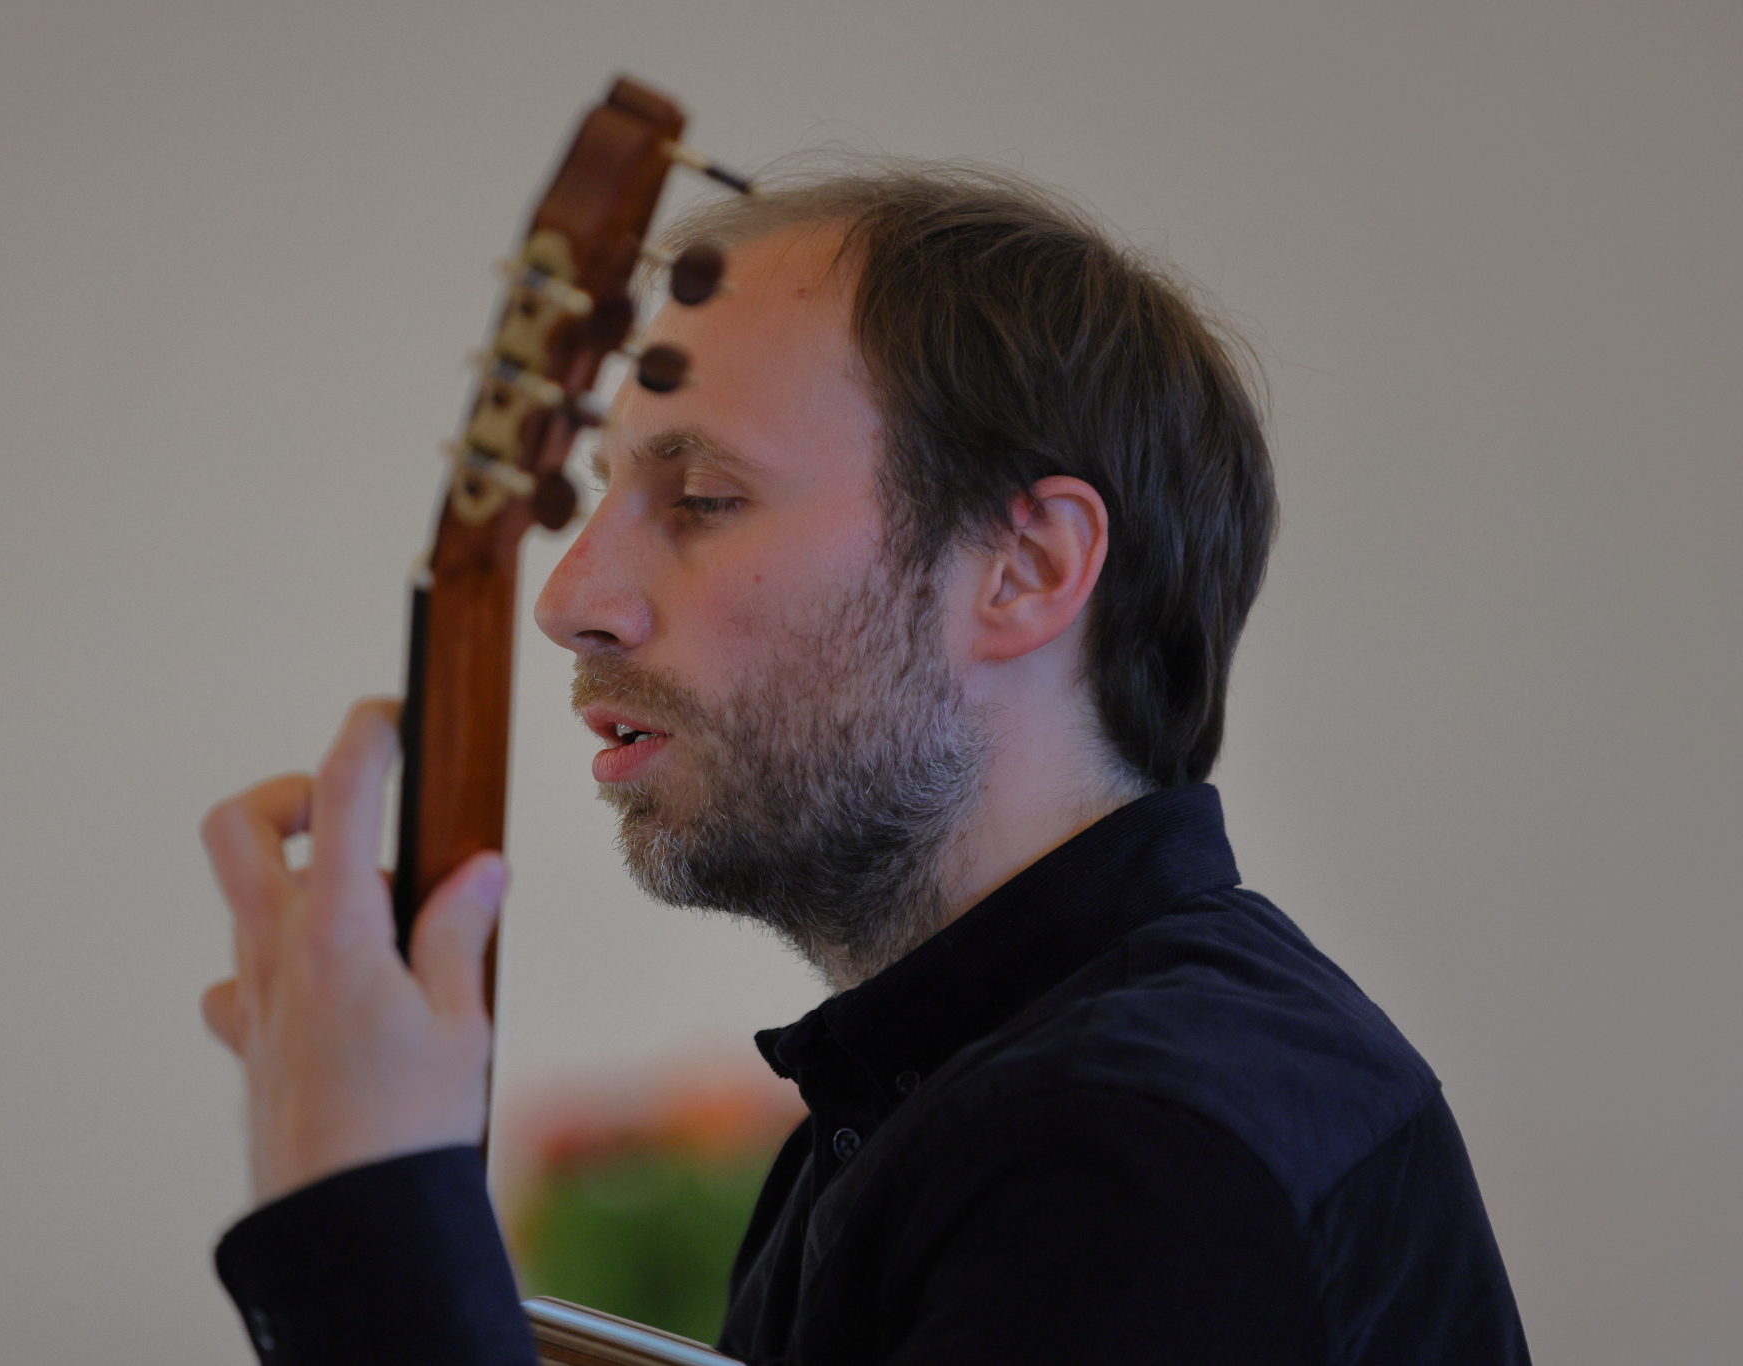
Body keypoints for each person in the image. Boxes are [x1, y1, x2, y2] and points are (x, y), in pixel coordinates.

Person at [197, 164, 1531, 1364]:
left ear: (1025, 569)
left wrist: (364, 1211)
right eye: (602, 492)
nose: (573, 597)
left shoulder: (1129, 1152)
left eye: (703, 498)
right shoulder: (954, 1096)